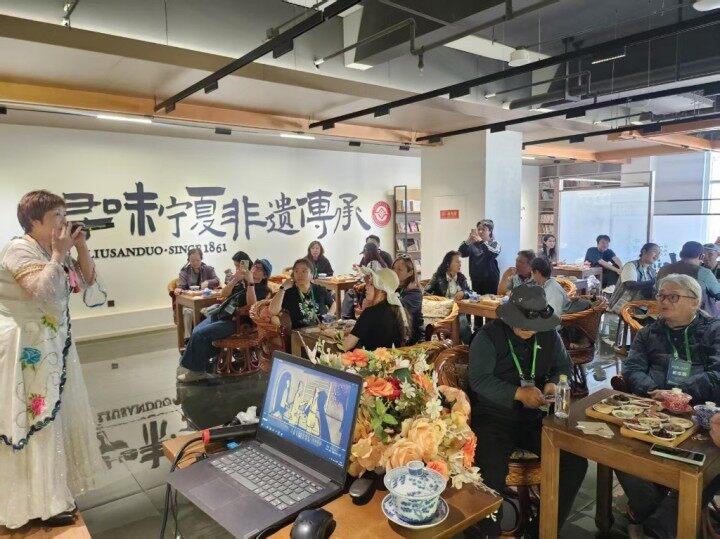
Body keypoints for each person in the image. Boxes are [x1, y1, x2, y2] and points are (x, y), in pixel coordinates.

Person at [0, 190, 105, 528]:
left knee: (52, 417)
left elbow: (87, 282)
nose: (64, 221)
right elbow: (41, 291)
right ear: (34, 222)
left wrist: (80, 247)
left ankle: (53, 493)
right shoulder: (19, 249)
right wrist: (59, 253)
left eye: (64, 214)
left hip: (52, 345)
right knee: (35, 418)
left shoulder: (51, 250)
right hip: (25, 349)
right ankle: (35, 502)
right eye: (56, 216)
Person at [468, 285, 587, 536]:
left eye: (534, 325)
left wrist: (554, 382)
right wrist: (518, 393)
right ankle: (487, 533)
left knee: (574, 461)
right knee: (490, 471)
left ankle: (540, 530)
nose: (528, 329)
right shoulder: (487, 337)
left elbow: (563, 367)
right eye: (522, 323)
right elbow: (478, 380)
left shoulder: (549, 335)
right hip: (494, 416)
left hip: (534, 417)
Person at [618, 273, 720, 538]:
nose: (663, 301)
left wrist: (681, 392)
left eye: (672, 296)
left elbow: (718, 373)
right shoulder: (649, 332)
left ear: (695, 301)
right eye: (661, 295)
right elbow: (632, 368)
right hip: (656, 410)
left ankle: (656, 525)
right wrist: (652, 390)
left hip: (702, 415)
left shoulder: (714, 330)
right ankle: (661, 515)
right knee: (619, 451)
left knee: (705, 464)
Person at [178, 258, 271, 382]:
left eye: (259, 269)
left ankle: (196, 372)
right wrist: (235, 279)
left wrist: (250, 283)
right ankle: (201, 363)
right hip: (222, 314)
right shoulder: (241, 283)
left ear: (265, 275)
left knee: (200, 334)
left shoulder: (263, 289)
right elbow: (223, 293)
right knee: (196, 331)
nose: (254, 270)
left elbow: (252, 306)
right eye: (254, 266)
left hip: (238, 323)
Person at [343, 267, 409, 351]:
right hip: (391, 358)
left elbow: (345, 346)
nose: (366, 287)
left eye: (371, 284)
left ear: (382, 290)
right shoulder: (397, 309)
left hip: (370, 358)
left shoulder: (371, 312)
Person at [656, 241, 720, 316]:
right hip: (697, 317)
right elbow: (718, 294)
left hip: (667, 313)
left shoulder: (663, 269)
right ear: (701, 256)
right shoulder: (704, 273)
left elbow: (657, 290)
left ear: (681, 254)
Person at [270, 258, 335, 329]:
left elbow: (333, 303)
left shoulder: (319, 289)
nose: (300, 274)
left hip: (321, 329)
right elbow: (273, 312)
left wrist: (329, 317)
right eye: (296, 271)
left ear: (312, 275)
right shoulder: (288, 292)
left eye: (304, 271)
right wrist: (282, 288)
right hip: (300, 332)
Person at [425, 250, 473, 343]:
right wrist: (441, 301)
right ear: (448, 264)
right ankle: (459, 346)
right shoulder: (438, 277)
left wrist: (463, 293)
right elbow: (426, 293)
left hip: (458, 311)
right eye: (457, 262)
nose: (460, 264)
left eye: (460, 262)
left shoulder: (461, 278)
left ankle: (469, 347)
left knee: (463, 324)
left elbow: (470, 292)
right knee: (460, 324)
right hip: (443, 310)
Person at [174, 248, 220, 339]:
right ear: (188, 260)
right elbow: (181, 286)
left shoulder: (208, 269)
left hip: (205, 302)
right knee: (187, 312)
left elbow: (217, 280)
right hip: (190, 303)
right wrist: (178, 289)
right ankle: (188, 339)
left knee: (213, 309)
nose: (195, 263)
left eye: (197, 260)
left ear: (201, 259)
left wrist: (208, 282)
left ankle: (209, 337)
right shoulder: (184, 272)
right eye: (192, 261)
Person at [608, 242, 659, 313]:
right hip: (620, 309)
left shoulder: (651, 271)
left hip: (637, 309)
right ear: (644, 251)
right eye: (655, 252)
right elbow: (631, 285)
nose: (657, 256)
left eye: (659, 253)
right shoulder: (631, 266)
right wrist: (655, 281)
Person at [458, 219, 501, 297]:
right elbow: (461, 253)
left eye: (483, 229)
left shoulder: (494, 243)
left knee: (490, 301)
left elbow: (492, 254)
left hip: (490, 280)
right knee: (477, 300)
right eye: (479, 229)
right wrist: (468, 240)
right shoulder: (473, 244)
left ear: (490, 231)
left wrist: (481, 242)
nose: (480, 232)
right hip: (476, 279)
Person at [392, 255, 424, 345]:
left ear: (410, 273)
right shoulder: (394, 287)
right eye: (393, 268)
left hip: (411, 338)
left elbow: (398, 310)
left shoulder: (415, 292)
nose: (394, 272)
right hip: (395, 331)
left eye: (399, 269)